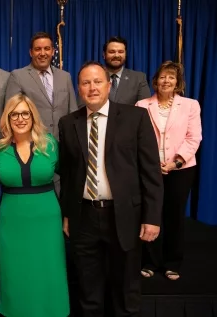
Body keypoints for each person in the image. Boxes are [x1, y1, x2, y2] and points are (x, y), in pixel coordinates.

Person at [58, 61, 163, 317]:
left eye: (97, 81)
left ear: (108, 85)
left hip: (124, 216)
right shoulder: (68, 123)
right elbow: (69, 174)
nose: (91, 88)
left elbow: (150, 172)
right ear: (78, 88)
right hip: (84, 217)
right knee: (88, 290)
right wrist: (68, 214)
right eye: (85, 83)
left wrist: (151, 218)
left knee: (126, 289)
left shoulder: (134, 117)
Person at [0, 93, 69, 317]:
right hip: (11, 221)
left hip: (47, 220)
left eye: (25, 113)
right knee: (15, 272)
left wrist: (69, 215)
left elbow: (71, 179)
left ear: (33, 116)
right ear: (7, 119)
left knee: (48, 270)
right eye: (14, 114)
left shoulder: (50, 144)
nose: (20, 118)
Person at [136, 61, 202, 281]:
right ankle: (149, 261)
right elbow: (139, 140)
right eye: (163, 77)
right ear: (155, 81)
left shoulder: (191, 105)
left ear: (178, 83)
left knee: (174, 216)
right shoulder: (142, 105)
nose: (166, 81)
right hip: (150, 169)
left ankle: (173, 262)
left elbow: (194, 138)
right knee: (150, 214)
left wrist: (176, 163)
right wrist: (152, 163)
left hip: (181, 170)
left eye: (171, 77)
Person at [5, 31, 77, 139]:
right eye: (38, 49)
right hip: (32, 142)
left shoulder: (65, 76)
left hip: (63, 142)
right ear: (31, 52)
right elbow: (11, 113)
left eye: (47, 49)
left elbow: (73, 112)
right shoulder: (17, 76)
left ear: (53, 51)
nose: (42, 53)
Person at [102, 36, 151, 105]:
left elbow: (145, 109)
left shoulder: (139, 78)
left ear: (125, 54)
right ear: (104, 54)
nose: (116, 55)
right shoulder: (93, 77)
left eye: (121, 52)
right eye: (112, 52)